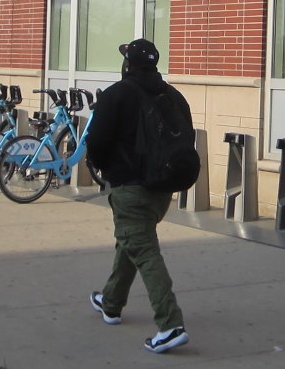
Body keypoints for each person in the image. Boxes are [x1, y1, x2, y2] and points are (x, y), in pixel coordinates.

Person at [85, 38, 192, 354]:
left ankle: (170, 324)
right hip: (161, 189)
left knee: (143, 249)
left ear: (128, 64)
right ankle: (111, 302)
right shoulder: (173, 96)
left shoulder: (115, 95)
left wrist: (108, 170)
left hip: (129, 187)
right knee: (132, 240)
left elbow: (98, 143)